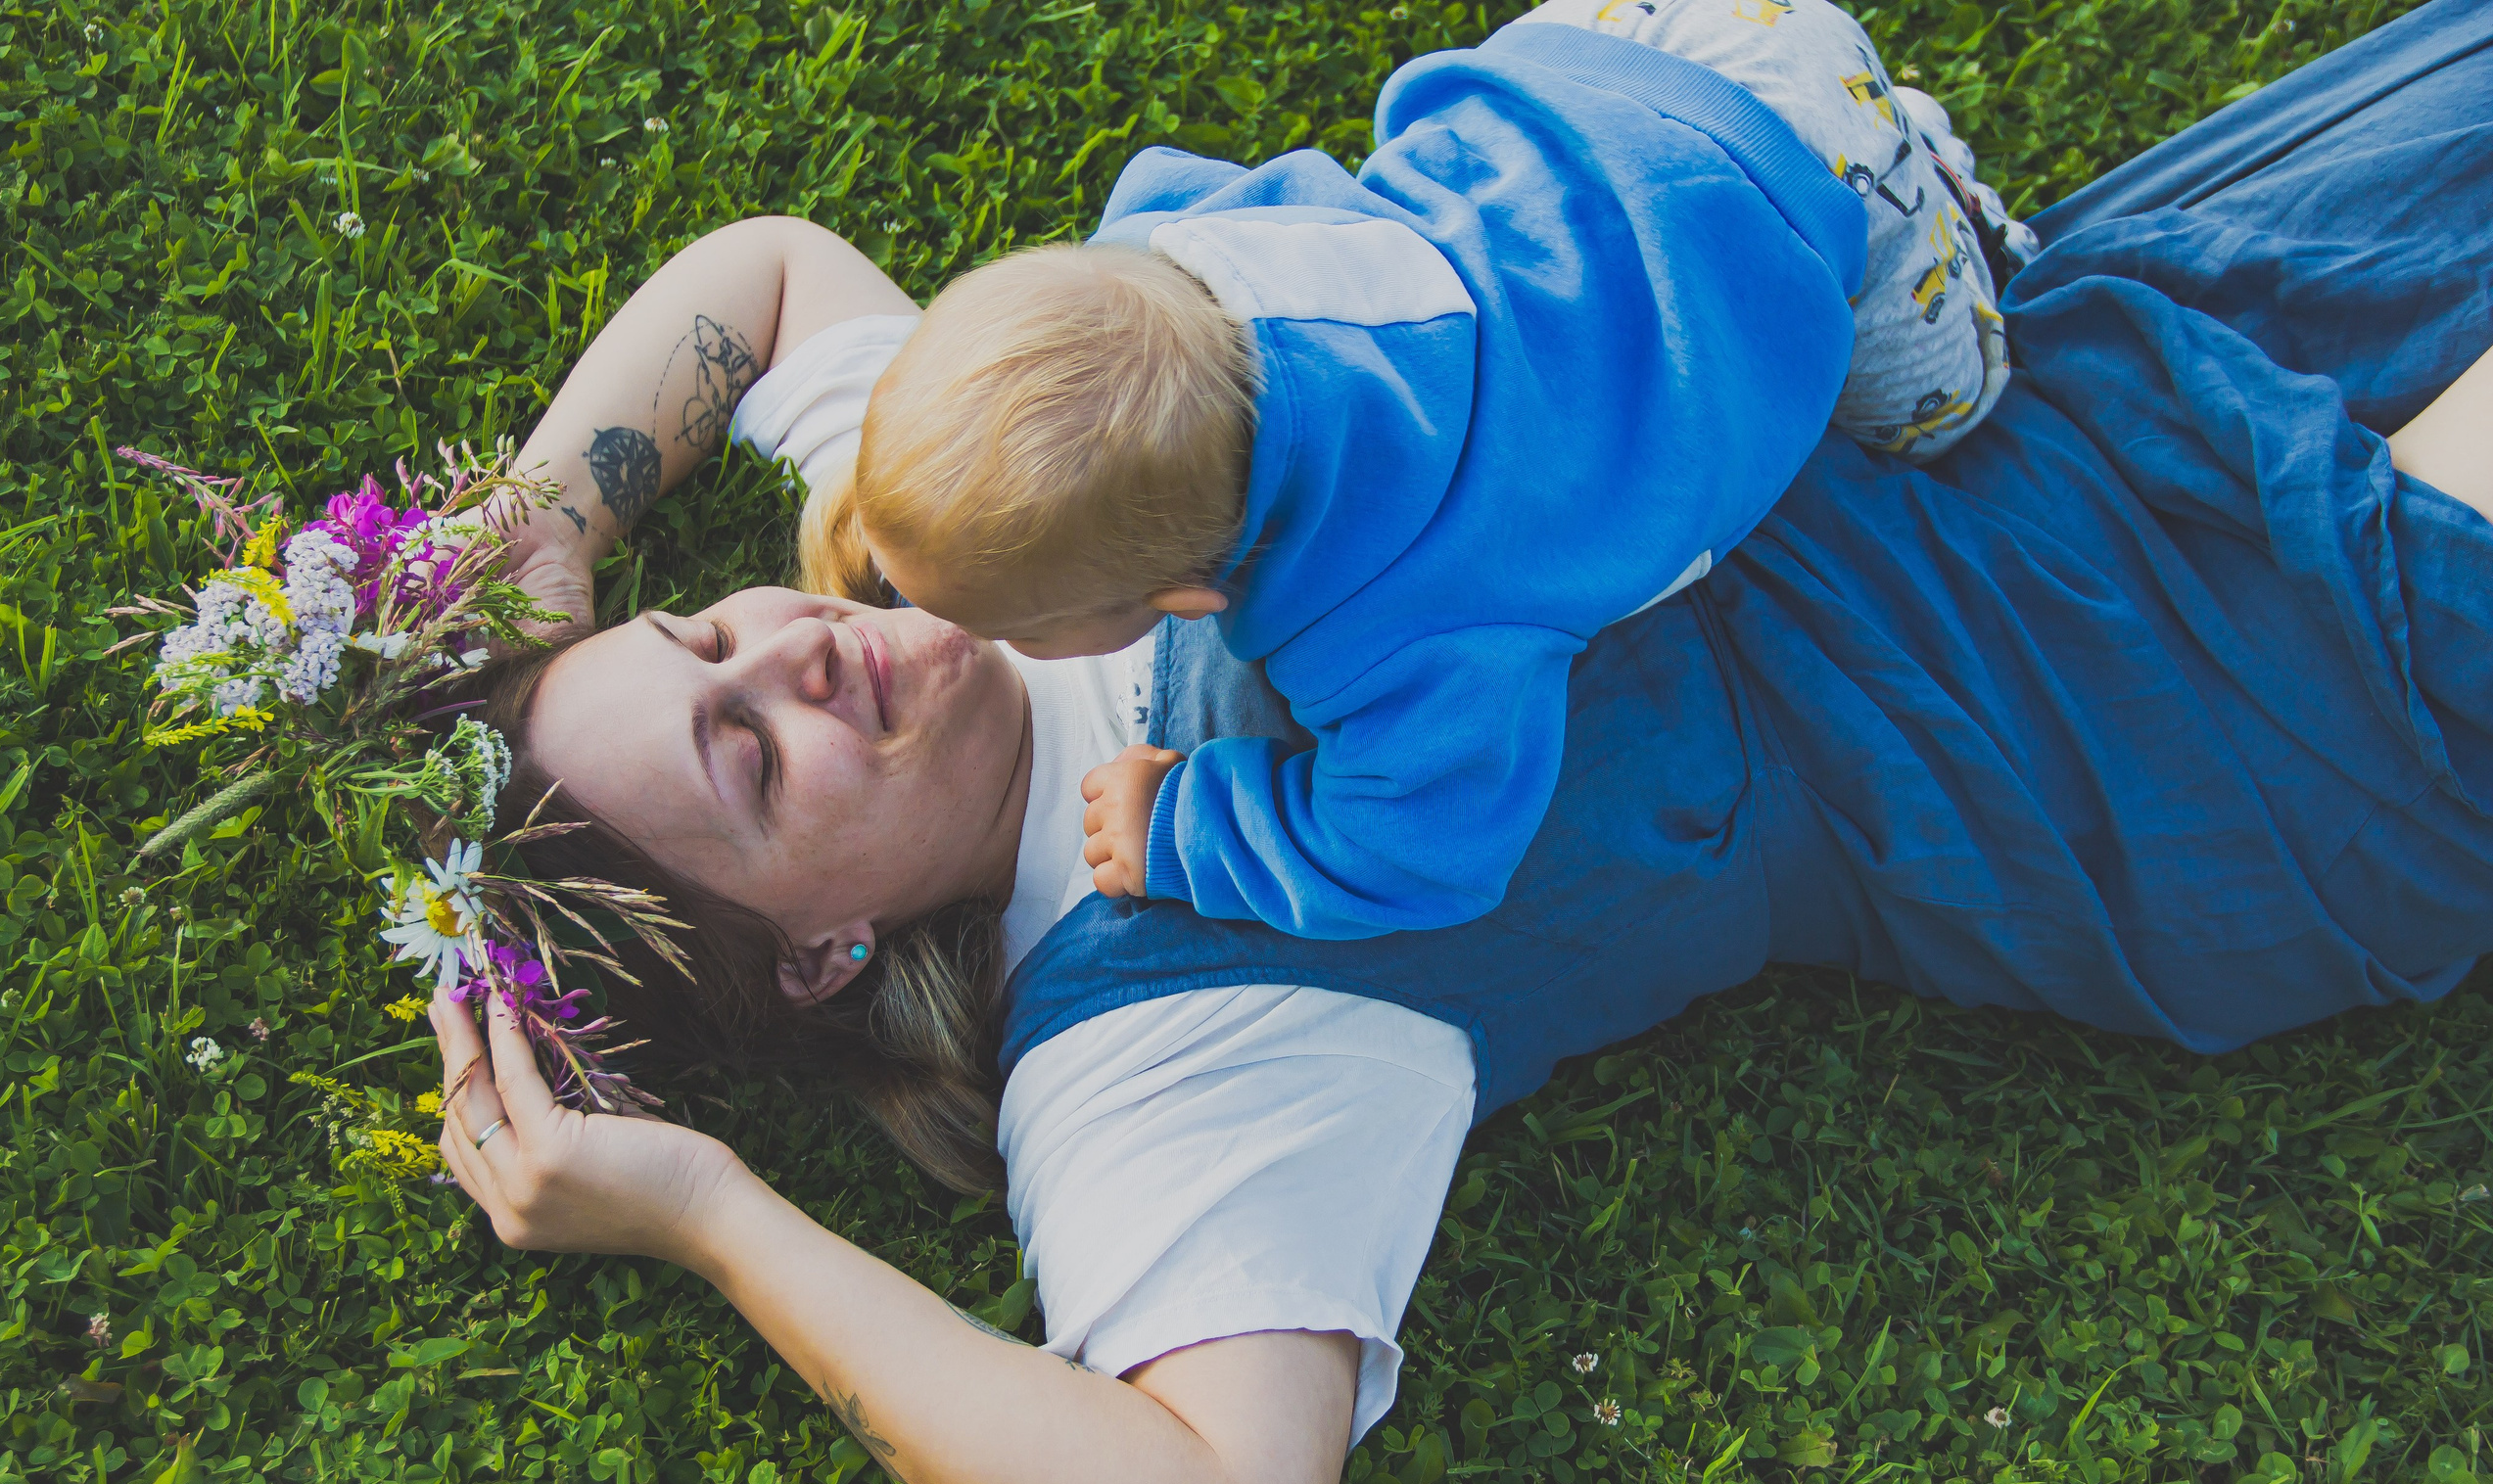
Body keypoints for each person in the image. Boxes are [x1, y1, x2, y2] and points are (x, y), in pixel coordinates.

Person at [447, 2, 2493, 1484]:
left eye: (709, 625)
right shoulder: (1160, 1016)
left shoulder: (988, 479)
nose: (799, 651)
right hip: (2155, 713)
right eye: (740, 758)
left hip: (2028, 354)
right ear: (818, 955)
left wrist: (528, 543)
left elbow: (768, 275)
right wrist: (707, 1211)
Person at [791, 0, 2037, 945]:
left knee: (1943, 413)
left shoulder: (1400, 625)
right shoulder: (1200, 248)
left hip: (1809, 188)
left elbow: (1422, 850)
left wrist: (1186, 826)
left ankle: (1942, 197)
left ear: (1178, 602)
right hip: (1626, 45)